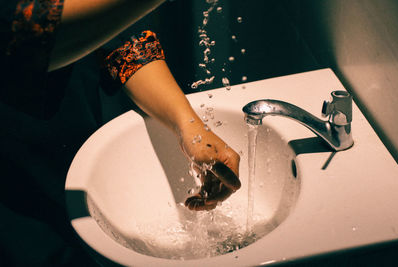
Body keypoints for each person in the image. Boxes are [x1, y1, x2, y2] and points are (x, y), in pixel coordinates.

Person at [0, 0, 240, 265]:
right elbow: (22, 41)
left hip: (80, 145)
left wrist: (190, 127)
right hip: (17, 185)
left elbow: (124, 43)